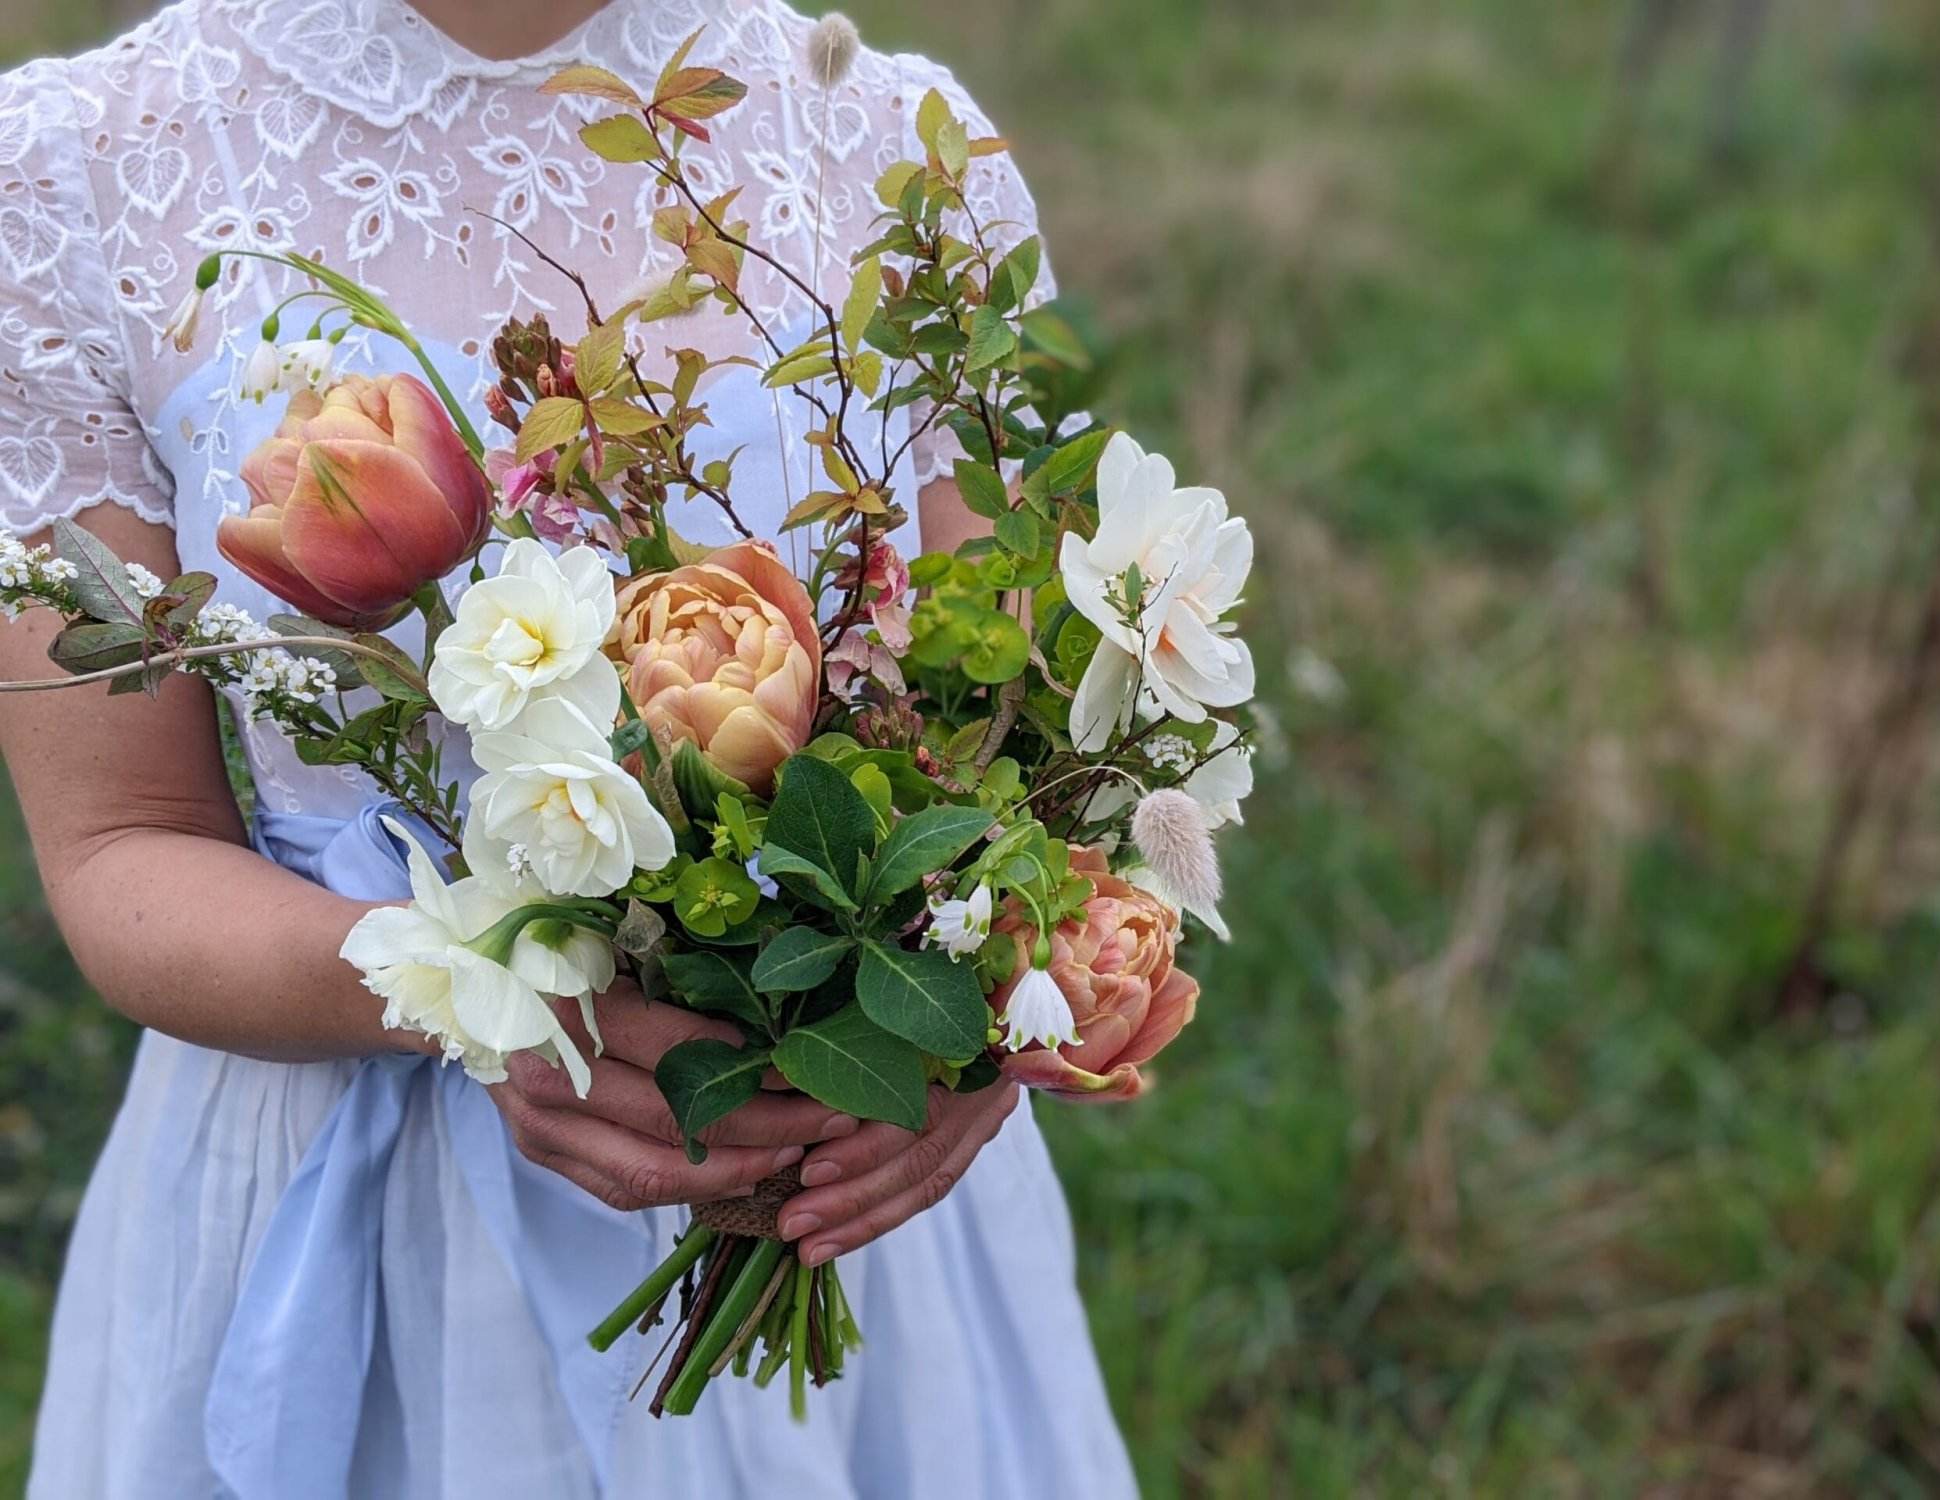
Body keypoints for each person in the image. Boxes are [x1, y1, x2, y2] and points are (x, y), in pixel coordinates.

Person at [0, 0, 1138, 1493]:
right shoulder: (78, 173)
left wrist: (976, 1032)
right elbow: (119, 846)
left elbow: (1012, 723)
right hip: (355, 1198)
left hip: (832, 1162)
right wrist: (478, 993)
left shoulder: (884, 141)